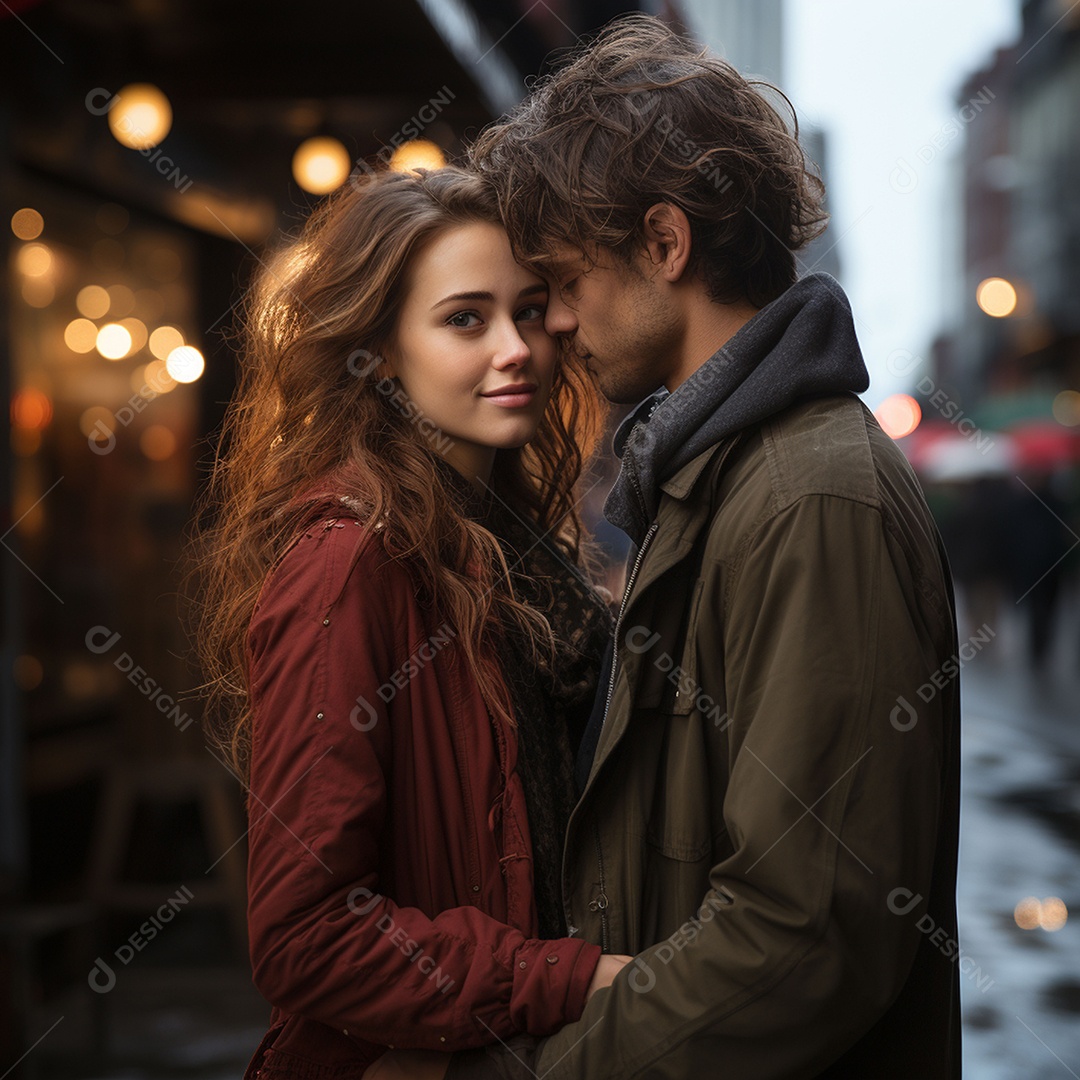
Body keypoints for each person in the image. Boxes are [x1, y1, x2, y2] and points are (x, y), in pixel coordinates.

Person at [425, 14, 961, 1078]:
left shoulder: (809, 498)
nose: (553, 328)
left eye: (565, 283)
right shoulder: (717, 476)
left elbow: (805, 937)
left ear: (665, 245)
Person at [192, 166, 633, 1078]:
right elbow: (303, 938)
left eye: (530, 309)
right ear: (383, 352)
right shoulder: (350, 565)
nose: (517, 349)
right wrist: (561, 979)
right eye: (465, 318)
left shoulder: (506, 548)